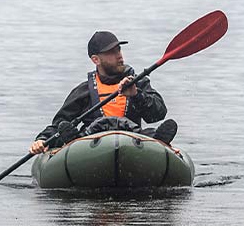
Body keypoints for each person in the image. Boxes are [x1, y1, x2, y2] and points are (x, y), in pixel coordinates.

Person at [28, 30, 177, 155]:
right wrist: (42, 139)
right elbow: (59, 124)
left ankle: (158, 141)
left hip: (132, 141)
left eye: (118, 49)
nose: (119, 55)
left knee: (148, 133)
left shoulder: (138, 83)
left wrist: (137, 95)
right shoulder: (84, 91)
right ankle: (74, 140)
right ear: (96, 59)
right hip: (92, 144)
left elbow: (159, 114)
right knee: (70, 132)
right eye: (111, 52)